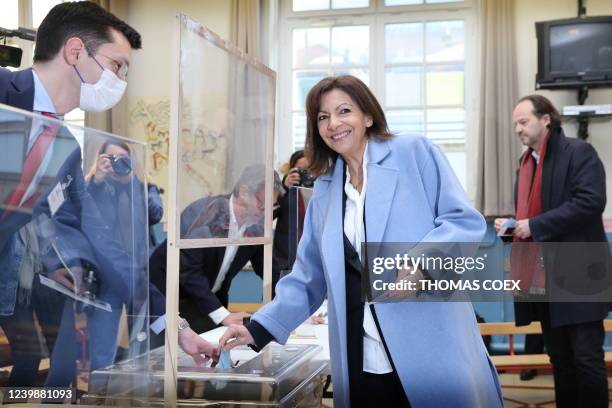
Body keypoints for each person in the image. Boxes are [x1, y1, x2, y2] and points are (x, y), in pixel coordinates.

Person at [220, 75, 502, 408]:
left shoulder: (413, 152)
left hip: (429, 347)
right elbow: (308, 276)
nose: (333, 124)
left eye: (344, 111)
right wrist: (259, 327)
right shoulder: (325, 191)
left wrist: (422, 265)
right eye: (323, 117)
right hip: (361, 359)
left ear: (367, 116)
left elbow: (462, 221)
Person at [0, 1, 216, 386]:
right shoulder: (3, 90)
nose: (120, 80)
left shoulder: (65, 148)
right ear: (76, 52)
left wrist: (176, 326)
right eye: (117, 65)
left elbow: (108, 245)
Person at [495, 95, 610, 407]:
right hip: (544, 277)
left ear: (546, 119)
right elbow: (535, 215)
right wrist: (514, 225)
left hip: (580, 274)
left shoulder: (579, 152)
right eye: (515, 124)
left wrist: (534, 225)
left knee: (586, 359)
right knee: (559, 358)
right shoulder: (527, 165)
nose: (517, 129)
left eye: (523, 121)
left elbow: (590, 201)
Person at [149, 165, 283, 334]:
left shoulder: (256, 226)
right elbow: (188, 272)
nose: (266, 213)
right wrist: (223, 315)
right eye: (262, 205)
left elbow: (269, 269)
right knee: (169, 354)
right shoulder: (205, 213)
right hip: (168, 297)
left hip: (207, 300)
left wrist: (288, 307)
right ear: (244, 192)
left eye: (273, 207)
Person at [272, 150, 310, 296]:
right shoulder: (283, 191)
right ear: (291, 170)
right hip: (285, 261)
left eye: (309, 169)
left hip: (311, 262)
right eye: (301, 170)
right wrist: (284, 188)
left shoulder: (322, 189)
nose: (305, 174)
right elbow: (267, 217)